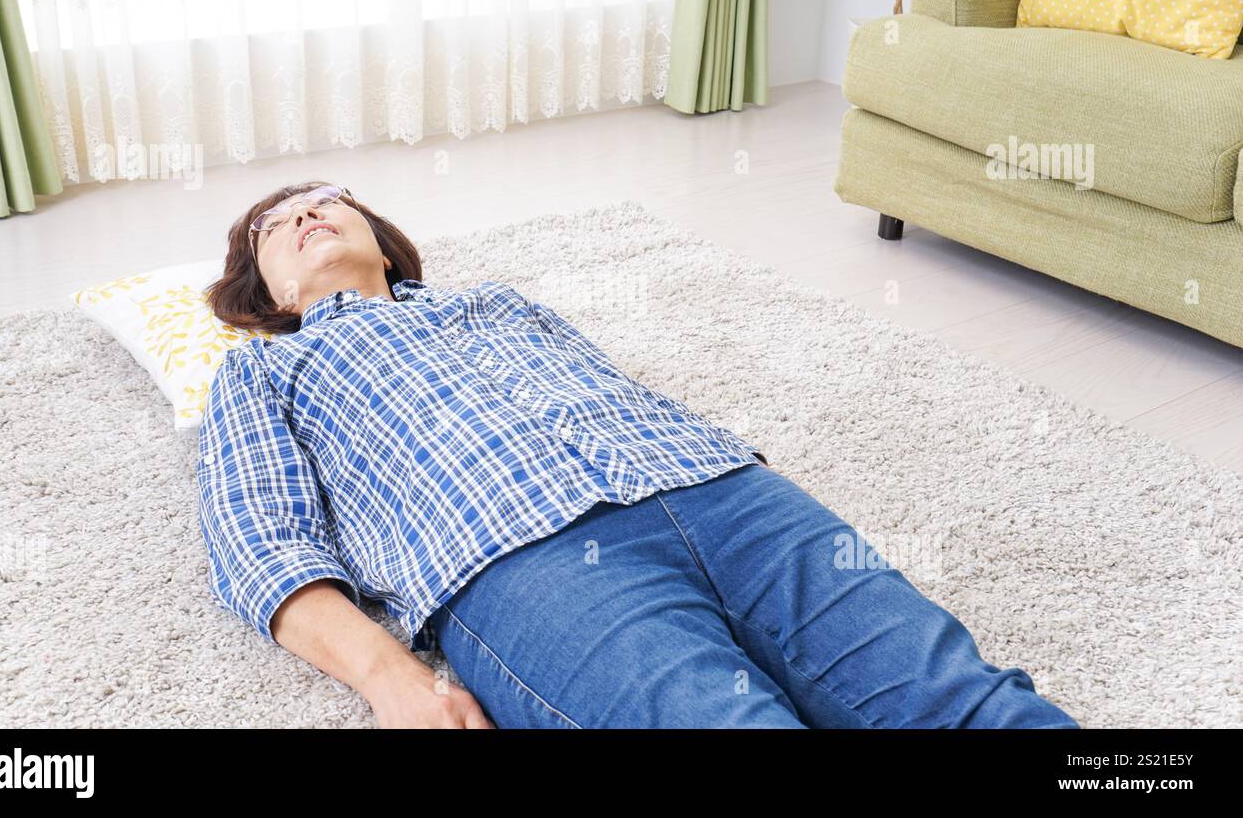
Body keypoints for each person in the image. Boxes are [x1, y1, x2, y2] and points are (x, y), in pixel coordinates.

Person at [197, 180, 1081, 730]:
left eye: (323, 199)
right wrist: (391, 678)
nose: (305, 213)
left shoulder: (500, 303)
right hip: (520, 563)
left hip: (722, 491)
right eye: (276, 225)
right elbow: (259, 541)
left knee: (964, 700)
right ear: (268, 290)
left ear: (381, 239)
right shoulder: (265, 368)